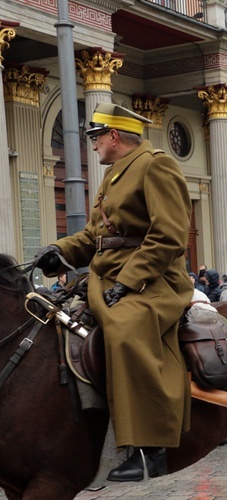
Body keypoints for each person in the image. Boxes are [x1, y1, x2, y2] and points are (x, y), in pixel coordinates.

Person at [34, 103, 193, 481]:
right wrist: (60, 251)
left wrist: (129, 280)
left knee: (124, 330)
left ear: (113, 136)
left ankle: (149, 448)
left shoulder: (155, 165)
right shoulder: (113, 176)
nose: (92, 146)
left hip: (155, 280)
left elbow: (169, 235)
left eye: (95, 137)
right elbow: (95, 237)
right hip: (108, 278)